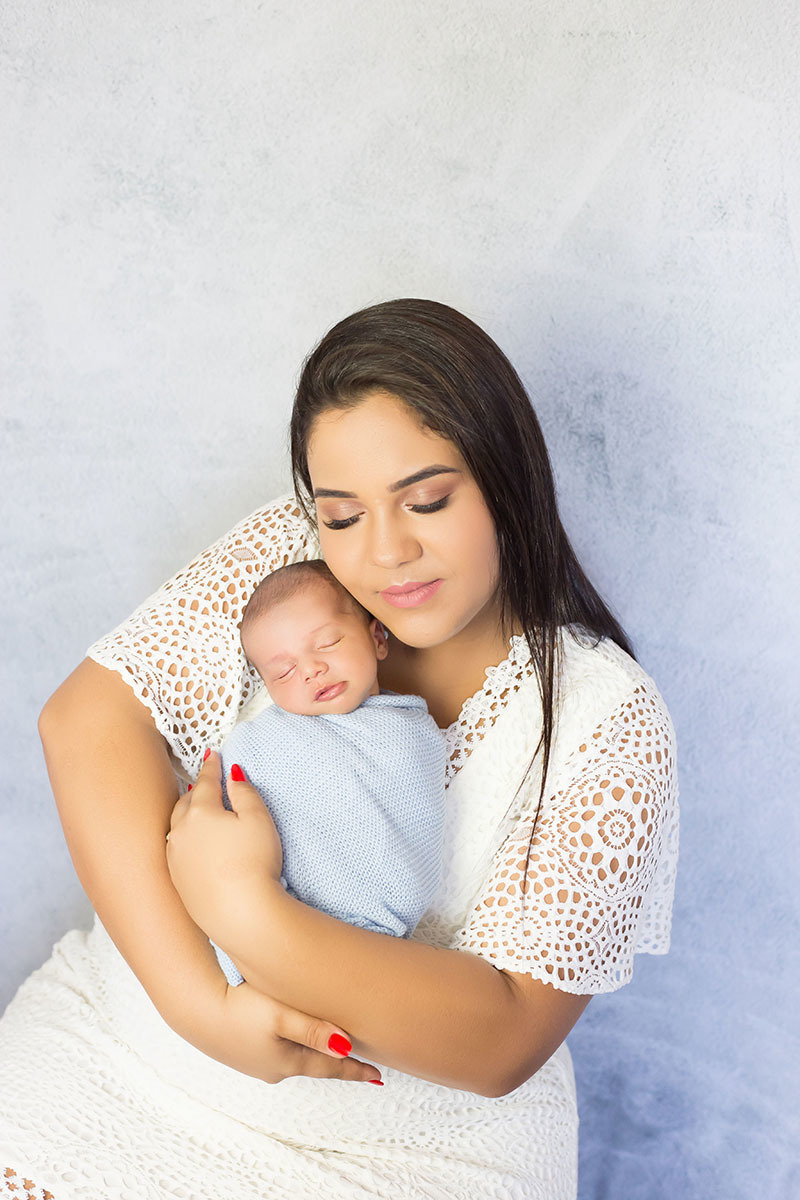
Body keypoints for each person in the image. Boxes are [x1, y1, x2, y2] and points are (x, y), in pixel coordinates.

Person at [0, 298, 679, 1200]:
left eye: (428, 499)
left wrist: (244, 908)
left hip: (406, 1151)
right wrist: (201, 1010)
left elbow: (505, 1037)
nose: (387, 552)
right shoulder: (295, 563)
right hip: (131, 1055)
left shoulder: (606, 714)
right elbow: (87, 723)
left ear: (507, 478)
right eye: (344, 514)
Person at [192, 558, 445, 987]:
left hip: (364, 943)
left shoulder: (410, 734)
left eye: (327, 643)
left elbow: (410, 831)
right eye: (284, 671)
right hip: (265, 919)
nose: (310, 669)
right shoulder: (265, 741)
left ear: (378, 637)